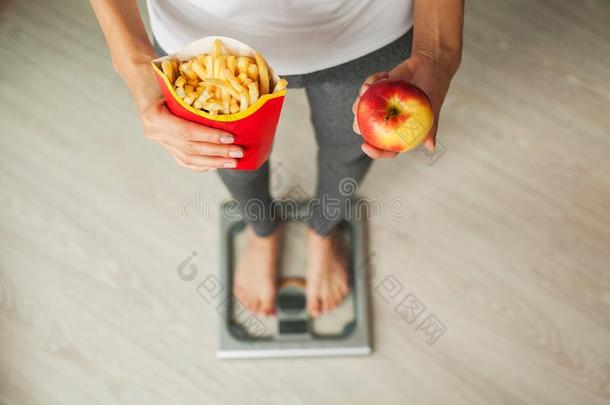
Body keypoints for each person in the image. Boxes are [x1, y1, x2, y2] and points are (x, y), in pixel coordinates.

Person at [90, 0, 463, 317]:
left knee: (349, 149)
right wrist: (135, 64)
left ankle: (323, 230)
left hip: (364, 31)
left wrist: (436, 53)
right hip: (203, 41)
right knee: (230, 157)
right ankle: (262, 229)